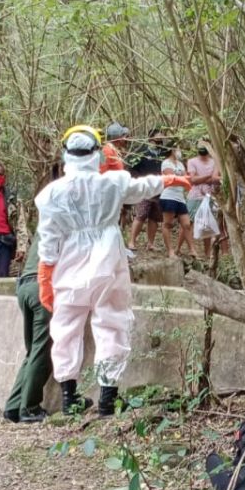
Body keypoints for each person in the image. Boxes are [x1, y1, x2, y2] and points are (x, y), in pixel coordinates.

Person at [36, 125, 192, 416]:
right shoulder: (112, 183)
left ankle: (69, 397)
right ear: (96, 153)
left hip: (69, 262)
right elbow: (143, 187)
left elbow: (49, 239)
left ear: (66, 154)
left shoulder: (51, 194)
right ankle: (108, 397)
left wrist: (45, 275)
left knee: (66, 326)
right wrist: (172, 179)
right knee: (111, 323)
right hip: (108, 258)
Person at [3, 238, 52, 424]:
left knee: (33, 350)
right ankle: (30, 408)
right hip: (41, 287)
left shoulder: (46, 222)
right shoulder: (67, 219)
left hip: (24, 286)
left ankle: (13, 406)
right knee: (42, 350)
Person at [129, 128, 167, 251]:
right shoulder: (141, 151)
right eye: (159, 134)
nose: (161, 137)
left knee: (154, 217)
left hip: (158, 189)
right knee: (141, 214)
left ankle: (150, 243)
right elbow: (131, 168)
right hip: (144, 188)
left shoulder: (162, 153)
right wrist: (139, 180)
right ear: (152, 137)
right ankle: (132, 242)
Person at [160, 144, 197, 259]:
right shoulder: (166, 163)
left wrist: (183, 179)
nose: (180, 151)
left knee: (186, 224)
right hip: (168, 196)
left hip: (180, 197)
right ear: (172, 150)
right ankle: (170, 251)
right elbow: (171, 179)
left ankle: (192, 250)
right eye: (178, 149)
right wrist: (183, 179)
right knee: (168, 224)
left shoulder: (181, 164)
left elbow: (186, 180)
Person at [187, 143, 222, 258]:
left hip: (210, 196)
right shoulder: (192, 161)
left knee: (207, 225)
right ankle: (189, 249)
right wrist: (208, 177)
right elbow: (193, 180)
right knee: (188, 222)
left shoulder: (214, 162)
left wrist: (203, 178)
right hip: (194, 196)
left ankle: (207, 253)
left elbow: (216, 179)